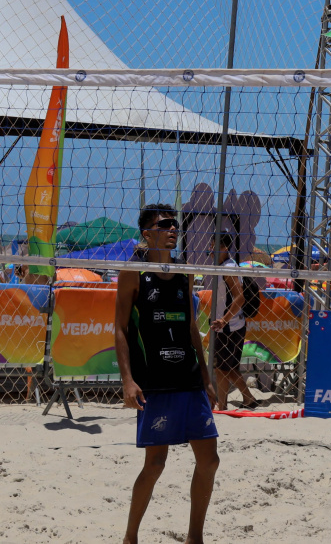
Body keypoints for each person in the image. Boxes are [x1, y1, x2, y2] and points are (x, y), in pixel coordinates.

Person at [114, 204, 219, 544]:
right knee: (156, 463)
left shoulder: (184, 271)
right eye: (166, 224)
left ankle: (195, 538)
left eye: (176, 224)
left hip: (188, 378)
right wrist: (127, 380)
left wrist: (205, 377)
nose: (174, 228)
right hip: (154, 381)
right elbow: (119, 328)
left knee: (210, 460)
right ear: (148, 233)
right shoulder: (133, 272)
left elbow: (191, 327)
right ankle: (130, 537)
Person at [209, 231, 260, 410]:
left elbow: (240, 298)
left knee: (222, 368)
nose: (210, 248)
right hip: (231, 324)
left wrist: (223, 320)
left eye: (212, 244)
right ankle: (247, 398)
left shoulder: (228, 268)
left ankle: (223, 405)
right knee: (228, 367)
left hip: (229, 327)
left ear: (222, 247)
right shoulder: (225, 265)